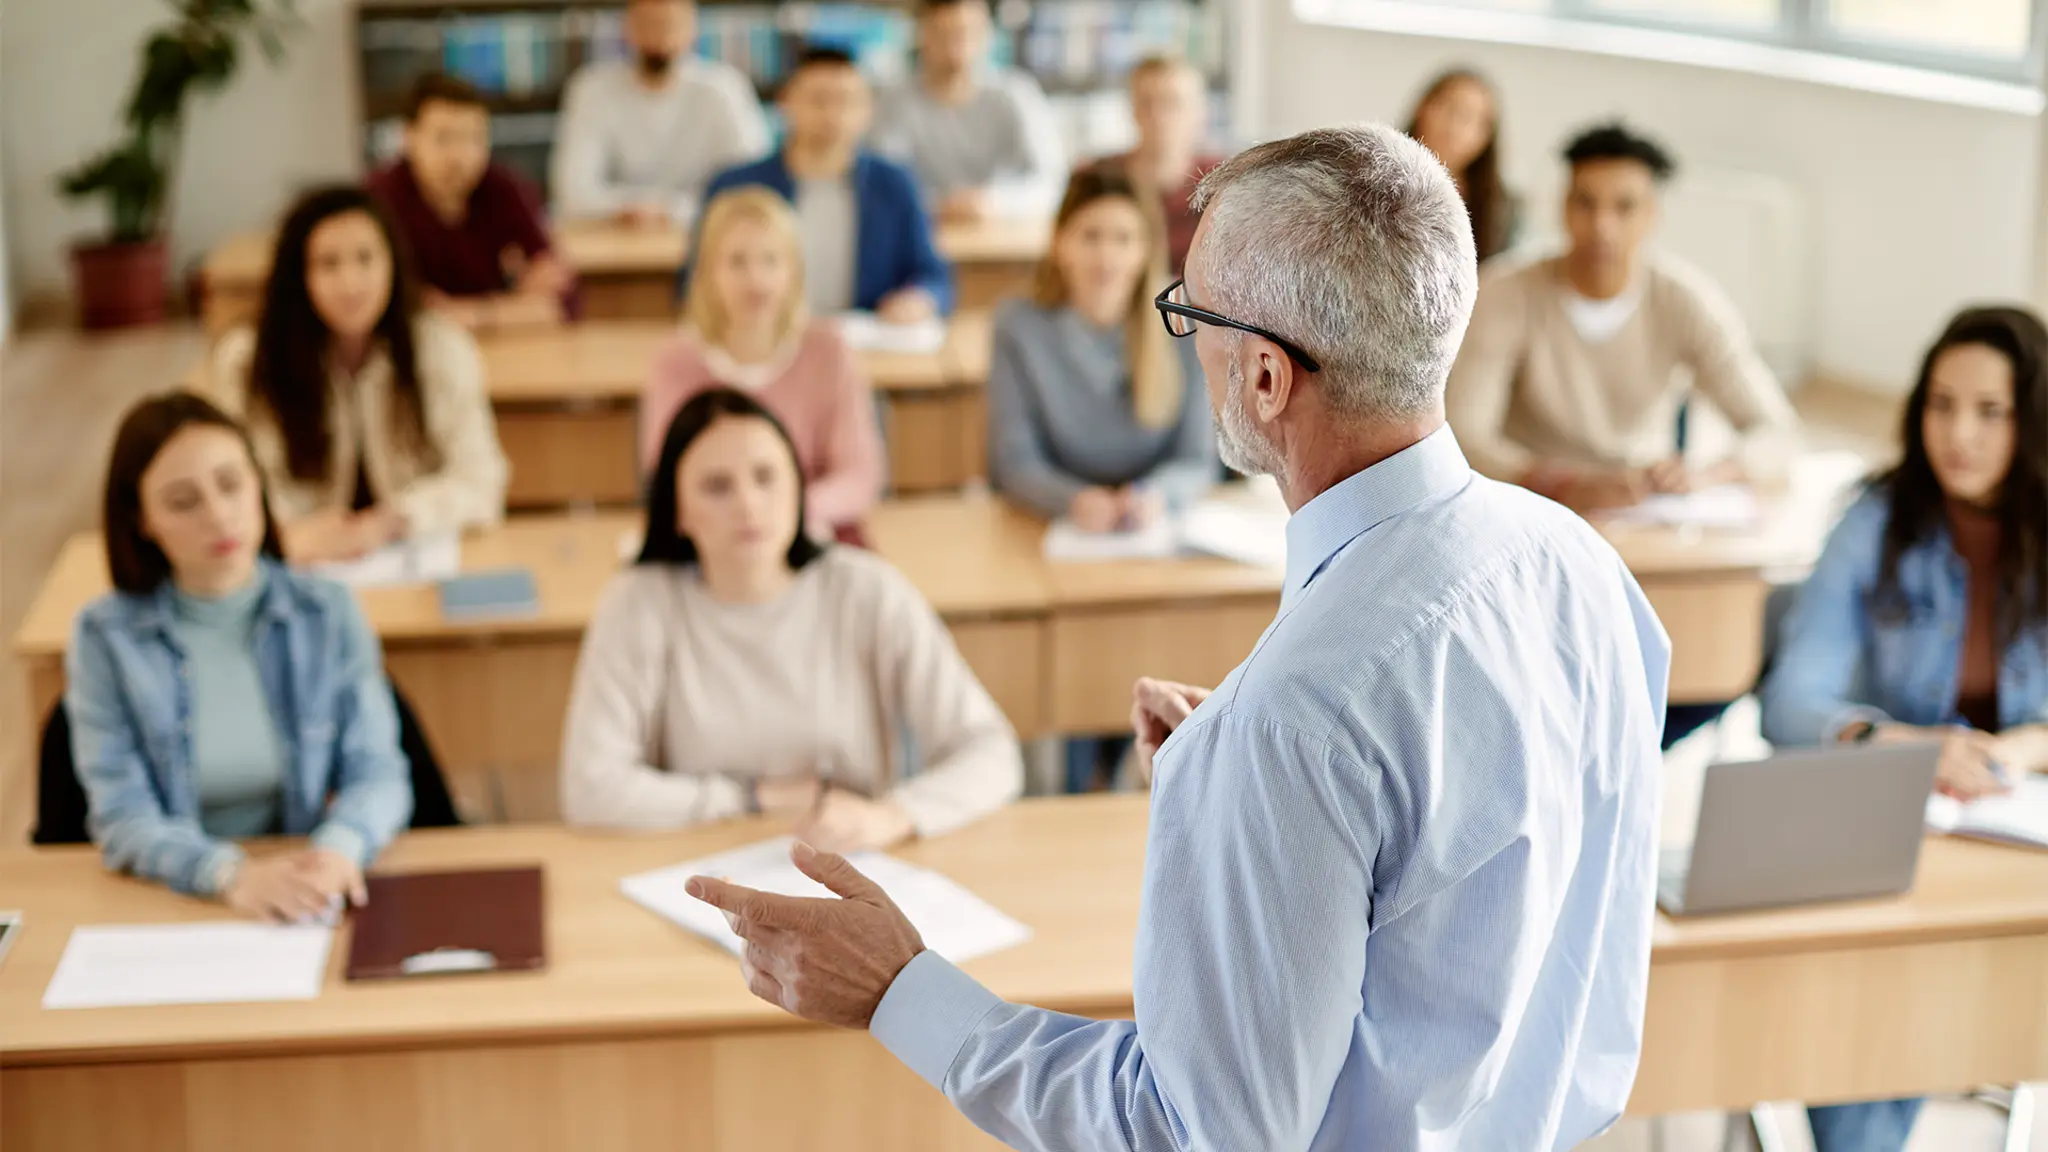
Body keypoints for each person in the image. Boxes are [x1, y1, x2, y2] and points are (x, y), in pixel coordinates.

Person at [687, 124, 1670, 1151]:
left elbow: (1190, 1134)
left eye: (1189, 313)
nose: (1182, 339)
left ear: (1263, 380)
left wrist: (899, 990)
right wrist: (1271, 803)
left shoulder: (1299, 718)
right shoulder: (1576, 561)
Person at [1761, 305, 2048, 1152]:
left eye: (1990, 411)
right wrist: (1917, 749)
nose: (1958, 433)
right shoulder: (1873, 521)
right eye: (1941, 404)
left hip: (2016, 830)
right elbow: (1792, 702)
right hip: (1900, 831)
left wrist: (2017, 751)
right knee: (1868, 1027)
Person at [560, 387, 1021, 847]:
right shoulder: (639, 603)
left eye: (766, 477)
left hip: (850, 864)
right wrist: (751, 798)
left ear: (798, 487)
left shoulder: (866, 590)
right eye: (717, 486)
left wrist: (893, 816)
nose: (749, 505)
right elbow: (590, 788)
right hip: (698, 863)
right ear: (676, 510)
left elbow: (991, 752)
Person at [65, 392, 413, 919]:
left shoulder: (327, 610)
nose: (220, 515)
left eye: (232, 484)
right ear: (142, 520)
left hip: (307, 885)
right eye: (184, 502)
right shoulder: (104, 637)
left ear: (260, 485)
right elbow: (122, 817)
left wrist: (339, 847)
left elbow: (379, 771)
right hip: (179, 893)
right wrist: (229, 876)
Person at [1445, 121, 1799, 514]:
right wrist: (1561, 482)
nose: (1602, 227)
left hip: (1641, 506)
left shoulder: (1686, 301)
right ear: (1562, 207)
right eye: (1585, 203)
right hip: (1528, 502)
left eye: (1624, 207)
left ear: (1652, 215)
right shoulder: (1504, 292)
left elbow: (1777, 432)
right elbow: (1463, 435)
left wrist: (1706, 475)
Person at [206, 185, 508, 564]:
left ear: (393, 264)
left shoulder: (441, 347)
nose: (350, 283)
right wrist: (291, 533)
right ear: (299, 275)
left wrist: (394, 519)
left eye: (366, 259)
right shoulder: (247, 360)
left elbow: (481, 478)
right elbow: (229, 480)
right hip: (294, 559)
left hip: (408, 556)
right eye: (328, 264)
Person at [642, 187, 884, 537]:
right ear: (708, 273)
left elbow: (859, 476)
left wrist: (783, 514)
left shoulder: (829, 351)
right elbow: (666, 481)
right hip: (712, 544)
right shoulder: (674, 362)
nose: (756, 280)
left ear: (793, 271)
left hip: (812, 534)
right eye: (737, 262)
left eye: (771, 260)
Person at [689, 46, 951, 322]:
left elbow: (932, 275)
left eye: (846, 101)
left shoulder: (895, 184)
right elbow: (694, 280)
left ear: (867, 111)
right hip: (761, 341)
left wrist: (919, 300)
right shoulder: (734, 185)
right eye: (818, 100)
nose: (831, 114)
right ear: (785, 103)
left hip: (865, 341)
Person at [368, 72, 575, 328]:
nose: (460, 156)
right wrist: (512, 308)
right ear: (408, 137)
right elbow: (395, 310)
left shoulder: (503, 190)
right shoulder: (379, 199)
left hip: (504, 352)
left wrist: (470, 315)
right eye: (443, 138)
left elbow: (560, 298)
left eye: (474, 138)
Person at [551, 0, 769, 226]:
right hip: (612, 239)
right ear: (626, 28)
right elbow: (572, 192)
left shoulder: (724, 88)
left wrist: (671, 211)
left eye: (670, 24)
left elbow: (751, 187)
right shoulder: (591, 89)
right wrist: (633, 210)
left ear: (693, 28)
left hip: (707, 236)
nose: (659, 37)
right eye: (647, 23)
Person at [872, 0, 1065, 222]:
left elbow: (1052, 181)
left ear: (988, 35)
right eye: (943, 34)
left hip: (1004, 233)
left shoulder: (1016, 94)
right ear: (921, 36)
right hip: (923, 230)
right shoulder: (895, 102)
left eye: (966, 32)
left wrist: (994, 202)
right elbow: (881, 183)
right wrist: (938, 204)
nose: (955, 46)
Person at [1091, 55, 1223, 275]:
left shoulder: (1222, 182)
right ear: (1131, 109)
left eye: (1172, 102)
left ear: (1200, 112)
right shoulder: (1098, 179)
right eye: (1147, 102)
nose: (1158, 116)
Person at [1405, 67, 1518, 263]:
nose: (1455, 126)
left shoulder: (1500, 207)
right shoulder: (1370, 174)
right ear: (1422, 108)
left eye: (1471, 118)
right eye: (1449, 108)